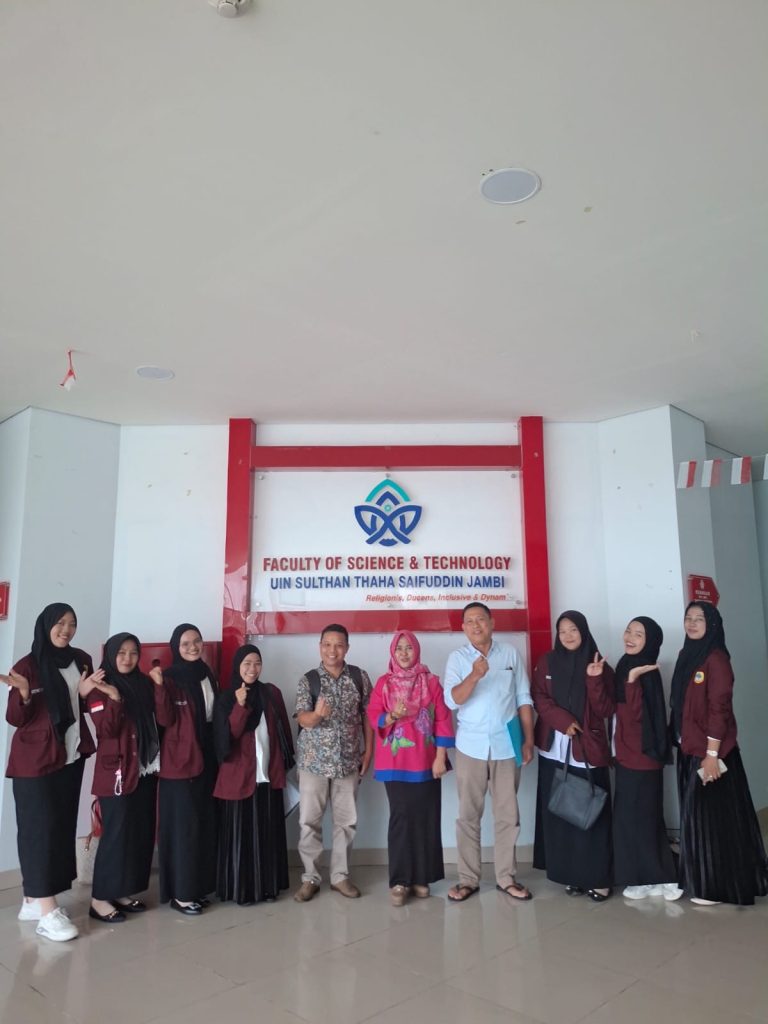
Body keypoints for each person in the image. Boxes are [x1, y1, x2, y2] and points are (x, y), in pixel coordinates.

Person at [2, 603, 98, 942]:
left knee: (59, 829)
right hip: (35, 761)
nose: (66, 630)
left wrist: (85, 695)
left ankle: (34, 900)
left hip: (70, 756)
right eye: (60, 623)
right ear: (45, 625)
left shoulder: (81, 660)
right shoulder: (26, 666)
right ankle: (46, 912)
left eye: (72, 623)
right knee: (38, 831)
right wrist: (24, 693)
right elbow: (15, 719)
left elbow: (82, 705)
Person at [670, 601, 768, 906]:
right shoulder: (687, 655)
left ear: (712, 624)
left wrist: (711, 755)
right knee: (695, 820)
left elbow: (719, 709)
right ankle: (698, 879)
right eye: (688, 618)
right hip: (689, 750)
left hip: (712, 754)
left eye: (699, 619)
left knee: (711, 823)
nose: (692, 623)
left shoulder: (716, 659)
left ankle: (717, 886)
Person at [443, 602, 535, 903]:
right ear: (463, 628)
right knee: (468, 815)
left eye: (480, 619)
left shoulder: (509, 654)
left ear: (492, 623)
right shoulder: (457, 659)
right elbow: (452, 701)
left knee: (508, 815)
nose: (475, 625)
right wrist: (474, 676)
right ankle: (468, 879)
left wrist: (528, 739)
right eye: (469, 621)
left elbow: (523, 697)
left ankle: (506, 877)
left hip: (506, 745)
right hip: (470, 747)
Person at [368, 630, 455, 906]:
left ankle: (422, 878)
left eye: (409, 648)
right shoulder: (384, 683)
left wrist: (440, 757)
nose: (404, 653)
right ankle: (400, 880)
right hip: (394, 763)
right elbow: (373, 715)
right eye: (399, 648)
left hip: (427, 761)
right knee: (401, 818)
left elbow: (443, 719)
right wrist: (391, 715)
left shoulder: (431, 682)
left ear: (416, 651)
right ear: (392, 653)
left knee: (426, 817)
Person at [532, 610, 614, 901]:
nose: (567, 635)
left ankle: (599, 878)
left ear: (584, 631)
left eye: (573, 630)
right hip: (554, 750)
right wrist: (563, 721)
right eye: (562, 630)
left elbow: (606, 709)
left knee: (591, 814)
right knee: (562, 814)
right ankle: (572, 874)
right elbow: (538, 697)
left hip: (586, 750)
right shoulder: (547, 661)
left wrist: (594, 679)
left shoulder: (599, 664)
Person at [293, 624, 373, 902]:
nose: (332, 650)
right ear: (320, 647)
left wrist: (368, 752)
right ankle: (310, 878)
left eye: (338, 645)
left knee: (346, 822)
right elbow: (303, 719)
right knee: (309, 822)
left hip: (348, 761)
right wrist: (317, 716)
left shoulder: (359, 677)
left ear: (347, 648)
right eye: (327, 644)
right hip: (313, 763)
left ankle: (340, 877)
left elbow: (368, 716)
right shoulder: (309, 680)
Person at [86, 633, 160, 923]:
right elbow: (106, 731)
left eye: (133, 653)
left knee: (139, 833)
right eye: (121, 653)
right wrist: (115, 698)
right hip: (116, 772)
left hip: (145, 768)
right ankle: (99, 899)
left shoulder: (143, 683)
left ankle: (122, 891)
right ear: (111, 655)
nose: (127, 658)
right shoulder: (99, 688)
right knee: (116, 835)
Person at [213, 644, 293, 905]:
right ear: (237, 666)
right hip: (238, 777)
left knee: (267, 835)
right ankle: (242, 891)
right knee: (241, 837)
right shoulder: (226, 698)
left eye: (257, 663)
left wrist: (283, 766)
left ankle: (268, 888)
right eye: (246, 663)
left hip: (267, 774)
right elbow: (226, 740)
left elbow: (283, 731)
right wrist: (239, 705)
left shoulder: (270, 693)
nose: (252, 668)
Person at [611, 617, 681, 901]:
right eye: (628, 631)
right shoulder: (625, 665)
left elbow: (640, 718)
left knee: (645, 819)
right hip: (626, 754)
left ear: (650, 641)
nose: (630, 637)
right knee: (630, 820)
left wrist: (632, 682)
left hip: (644, 756)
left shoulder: (645, 671)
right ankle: (642, 877)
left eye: (638, 634)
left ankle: (665, 877)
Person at [154, 623, 219, 915]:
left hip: (206, 761)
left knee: (202, 827)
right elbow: (165, 720)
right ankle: (181, 894)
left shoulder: (206, 674)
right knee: (183, 830)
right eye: (185, 643)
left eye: (197, 641)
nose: (193, 647)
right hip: (179, 766)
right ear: (175, 648)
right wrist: (158, 687)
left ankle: (196, 888)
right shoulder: (170, 678)